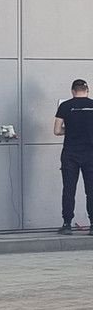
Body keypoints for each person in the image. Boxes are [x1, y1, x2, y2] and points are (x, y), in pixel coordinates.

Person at [54, 79, 93, 235]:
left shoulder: (65, 106)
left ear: (72, 91)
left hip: (70, 153)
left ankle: (67, 224)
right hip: (91, 153)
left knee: (69, 189)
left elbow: (57, 131)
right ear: (87, 90)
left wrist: (69, 130)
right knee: (91, 190)